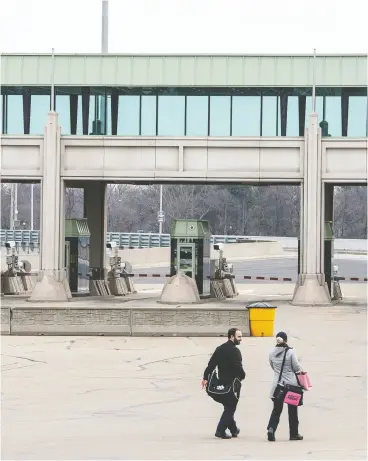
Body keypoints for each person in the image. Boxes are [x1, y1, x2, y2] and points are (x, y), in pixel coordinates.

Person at [201, 328, 246, 439]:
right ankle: (220, 430)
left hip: (221, 384)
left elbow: (211, 365)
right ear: (231, 336)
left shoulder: (220, 349)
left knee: (227, 406)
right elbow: (238, 368)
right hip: (232, 384)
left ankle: (234, 429)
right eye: (239, 336)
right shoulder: (235, 351)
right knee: (230, 407)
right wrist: (242, 376)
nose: (241, 339)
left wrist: (205, 377)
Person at [267, 331, 304, 442]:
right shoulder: (291, 352)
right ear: (286, 340)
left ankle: (271, 429)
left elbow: (272, 366)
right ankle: (293, 433)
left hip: (277, 385)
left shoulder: (272, 352)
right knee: (292, 410)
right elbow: (296, 367)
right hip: (291, 385)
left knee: (277, 409)